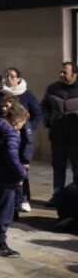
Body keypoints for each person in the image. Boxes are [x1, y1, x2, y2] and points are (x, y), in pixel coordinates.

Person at [0, 67, 42, 212]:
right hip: (4, 135)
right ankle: (10, 201)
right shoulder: (1, 93)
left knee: (21, 169)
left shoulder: (27, 94)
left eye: (12, 76)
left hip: (22, 137)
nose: (9, 78)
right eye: (6, 76)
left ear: (19, 78)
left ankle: (23, 198)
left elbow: (37, 114)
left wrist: (28, 126)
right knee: (7, 167)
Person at [0, 103, 27, 257]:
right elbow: (12, 156)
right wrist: (21, 174)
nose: (22, 126)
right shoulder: (11, 134)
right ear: (18, 120)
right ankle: (0, 244)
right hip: (5, 178)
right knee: (4, 211)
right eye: (23, 123)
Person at [41, 61, 78, 207]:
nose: (61, 74)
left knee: (77, 170)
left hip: (76, 138)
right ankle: (58, 196)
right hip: (57, 137)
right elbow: (44, 107)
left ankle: (75, 199)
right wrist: (48, 120)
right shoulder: (53, 88)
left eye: (65, 72)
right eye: (60, 72)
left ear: (75, 74)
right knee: (58, 168)